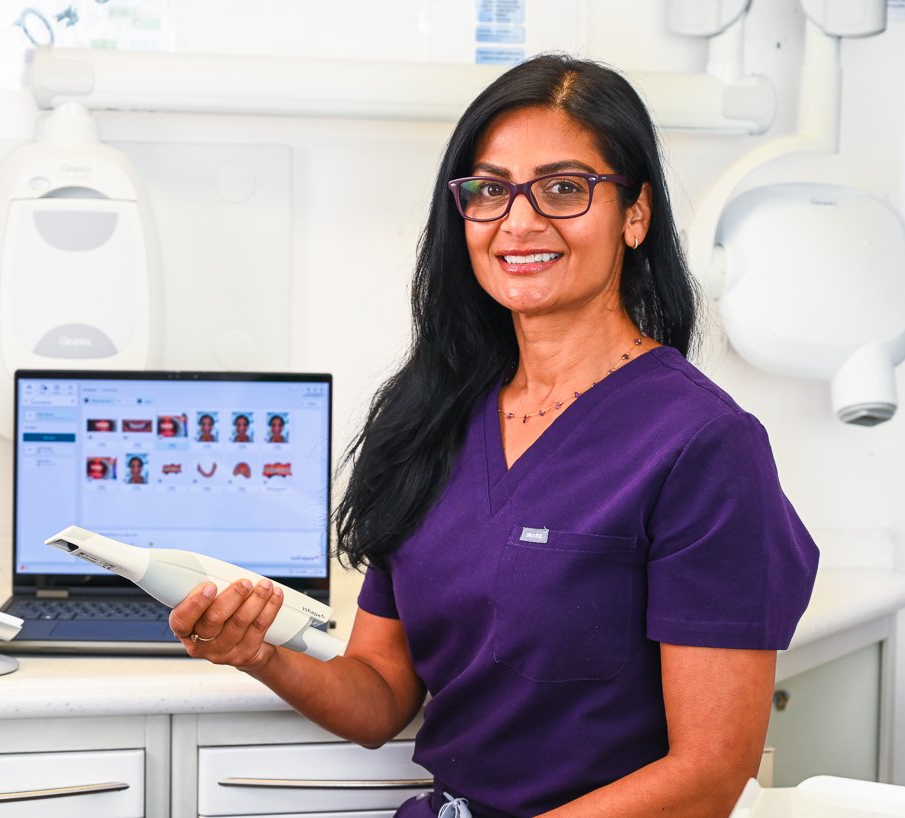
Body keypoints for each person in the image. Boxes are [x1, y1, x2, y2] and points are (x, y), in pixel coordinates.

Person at [167, 54, 818, 818]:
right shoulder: (431, 417)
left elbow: (709, 774)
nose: (518, 222)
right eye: (489, 190)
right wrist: (259, 653)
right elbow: (379, 697)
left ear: (635, 214)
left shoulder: (703, 445)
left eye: (564, 188)